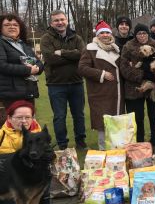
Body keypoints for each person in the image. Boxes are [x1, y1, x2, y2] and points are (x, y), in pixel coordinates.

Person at [0, 100, 57, 204]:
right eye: (19, 117)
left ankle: (44, 203)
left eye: (27, 117)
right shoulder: (1, 134)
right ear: (9, 118)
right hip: (8, 178)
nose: (24, 121)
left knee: (46, 172)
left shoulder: (38, 132)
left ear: (32, 118)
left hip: (28, 174)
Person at [40, 10, 87, 150]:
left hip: (76, 82)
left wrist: (62, 53)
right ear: (51, 23)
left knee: (79, 115)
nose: (60, 22)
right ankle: (62, 144)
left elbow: (82, 55)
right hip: (56, 84)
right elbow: (50, 59)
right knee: (59, 116)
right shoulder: (46, 39)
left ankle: (80, 141)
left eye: (62, 19)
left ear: (67, 20)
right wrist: (72, 57)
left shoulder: (76, 38)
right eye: (56, 20)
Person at [120, 24, 155, 146]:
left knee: (154, 116)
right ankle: (139, 143)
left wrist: (154, 70)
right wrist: (142, 74)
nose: (142, 36)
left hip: (153, 86)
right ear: (135, 35)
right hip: (134, 88)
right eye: (139, 33)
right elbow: (124, 68)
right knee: (137, 118)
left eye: (144, 33)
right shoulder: (128, 47)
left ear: (148, 34)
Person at [78, 20, 124, 150]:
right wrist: (102, 74)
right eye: (102, 33)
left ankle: (117, 149)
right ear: (97, 35)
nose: (105, 35)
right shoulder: (90, 49)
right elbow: (82, 68)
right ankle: (103, 150)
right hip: (100, 92)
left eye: (107, 33)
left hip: (117, 92)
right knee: (103, 123)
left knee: (116, 122)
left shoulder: (115, 49)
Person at [0, 14, 44, 125]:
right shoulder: (1, 43)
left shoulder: (23, 44)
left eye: (15, 25)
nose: (12, 27)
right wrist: (28, 70)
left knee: (29, 125)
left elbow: (37, 61)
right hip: (12, 93)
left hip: (28, 91)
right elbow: (2, 66)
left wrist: (38, 68)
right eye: (7, 25)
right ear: (1, 28)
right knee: (14, 127)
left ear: (20, 28)